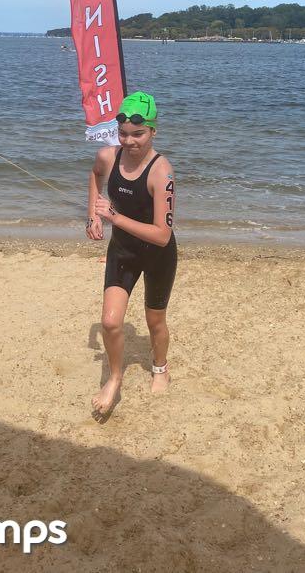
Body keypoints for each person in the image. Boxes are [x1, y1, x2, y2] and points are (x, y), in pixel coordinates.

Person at [86, 92, 176, 416]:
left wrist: (114, 217)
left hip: (157, 256)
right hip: (123, 251)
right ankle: (114, 379)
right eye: (123, 133)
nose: (129, 141)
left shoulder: (161, 172)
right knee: (110, 323)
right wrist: (93, 216)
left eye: (138, 134)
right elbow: (95, 175)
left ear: (153, 131)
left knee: (155, 321)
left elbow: (162, 235)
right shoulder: (108, 157)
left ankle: (160, 367)